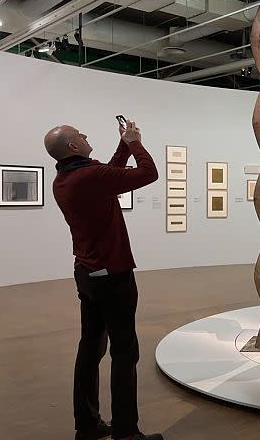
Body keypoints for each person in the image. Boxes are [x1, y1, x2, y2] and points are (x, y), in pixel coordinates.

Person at [44, 121, 162, 440]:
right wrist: (136, 143)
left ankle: (87, 425)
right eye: (80, 135)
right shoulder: (88, 176)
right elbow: (148, 173)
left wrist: (123, 145)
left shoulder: (68, 178)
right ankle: (126, 432)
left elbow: (110, 174)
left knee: (91, 348)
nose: (85, 136)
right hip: (112, 275)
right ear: (72, 146)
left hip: (87, 274)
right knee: (124, 352)